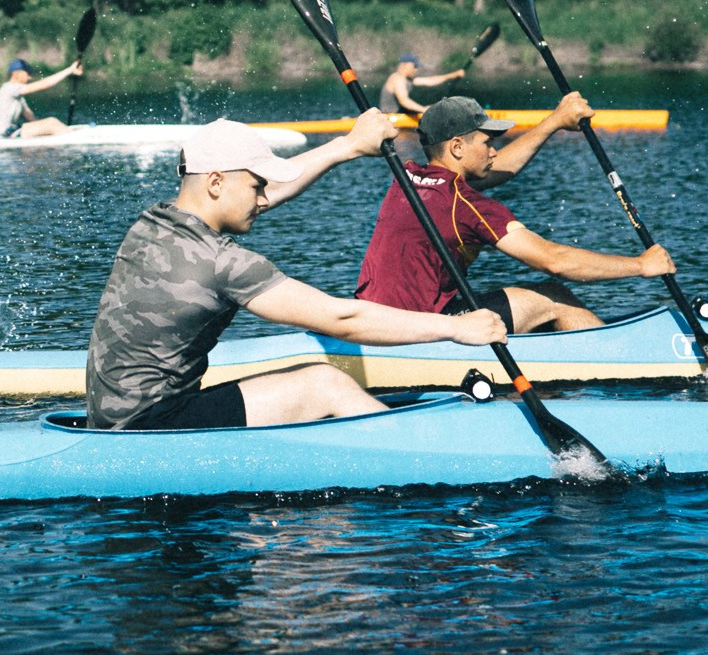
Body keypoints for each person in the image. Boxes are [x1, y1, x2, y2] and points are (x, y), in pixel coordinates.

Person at [84, 113, 507, 430]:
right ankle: (426, 457)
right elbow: (344, 318)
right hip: (149, 428)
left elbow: (262, 193)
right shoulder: (223, 263)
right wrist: (455, 328)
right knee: (325, 384)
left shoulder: (152, 222)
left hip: (115, 413)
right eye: (256, 186)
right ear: (215, 182)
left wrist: (347, 147)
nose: (264, 199)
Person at [355, 94, 674, 333]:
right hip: (420, 332)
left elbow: (494, 170)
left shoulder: (408, 175)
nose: (494, 151)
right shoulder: (467, 205)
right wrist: (641, 265)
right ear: (456, 147)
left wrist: (555, 121)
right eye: (487, 142)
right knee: (554, 296)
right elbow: (555, 261)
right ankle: (615, 360)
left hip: (369, 322)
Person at [0, 57, 83, 138]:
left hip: (11, 132)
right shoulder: (9, 88)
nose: (30, 78)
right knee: (51, 122)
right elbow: (45, 84)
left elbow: (32, 119)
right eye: (27, 74)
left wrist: (46, 129)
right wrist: (70, 70)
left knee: (51, 123)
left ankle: (71, 135)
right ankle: (75, 139)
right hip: (2, 135)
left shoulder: (19, 98)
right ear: (16, 74)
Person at [376, 51, 465, 119]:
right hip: (389, 118)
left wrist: (454, 74)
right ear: (404, 65)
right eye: (414, 66)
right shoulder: (397, 79)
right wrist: (423, 109)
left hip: (397, 116)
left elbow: (431, 81)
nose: (416, 70)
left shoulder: (407, 79)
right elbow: (404, 100)